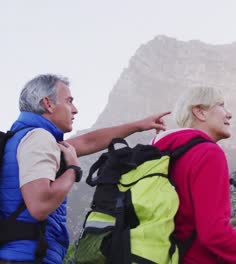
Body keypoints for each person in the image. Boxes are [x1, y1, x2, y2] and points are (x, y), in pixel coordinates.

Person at [0, 74, 170, 263]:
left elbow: (88, 141)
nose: (75, 109)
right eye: (69, 101)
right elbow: (40, 206)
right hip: (27, 257)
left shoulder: (26, 138)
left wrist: (138, 125)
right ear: (48, 104)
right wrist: (73, 168)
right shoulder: (39, 138)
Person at [151, 86, 236, 264]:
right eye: (221, 106)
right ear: (200, 112)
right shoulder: (207, 153)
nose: (229, 114)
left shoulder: (166, 155)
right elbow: (213, 233)